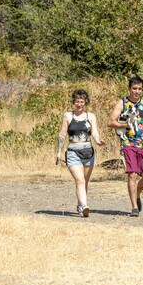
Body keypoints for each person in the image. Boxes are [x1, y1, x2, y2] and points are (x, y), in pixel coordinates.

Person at [107, 76, 143, 217]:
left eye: (140, 89)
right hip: (128, 143)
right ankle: (134, 208)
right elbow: (110, 122)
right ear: (129, 88)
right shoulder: (122, 103)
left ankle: (137, 193)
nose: (137, 91)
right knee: (132, 174)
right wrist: (124, 125)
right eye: (134, 88)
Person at [56, 89, 105, 217]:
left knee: (84, 181)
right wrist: (59, 152)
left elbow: (94, 132)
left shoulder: (91, 116)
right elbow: (62, 135)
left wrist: (98, 141)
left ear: (85, 102)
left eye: (82, 101)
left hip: (88, 152)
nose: (79, 104)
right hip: (73, 152)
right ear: (74, 102)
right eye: (77, 101)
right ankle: (84, 206)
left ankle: (80, 205)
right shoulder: (68, 116)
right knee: (79, 180)